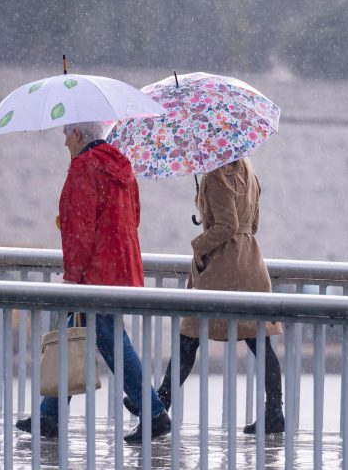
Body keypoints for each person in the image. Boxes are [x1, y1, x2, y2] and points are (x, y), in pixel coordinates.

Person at [16, 121, 171, 444]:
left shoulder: (83, 169)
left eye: (65, 133)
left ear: (77, 134)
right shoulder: (122, 166)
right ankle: (49, 416)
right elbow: (134, 217)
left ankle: (154, 413)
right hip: (122, 268)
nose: (63, 140)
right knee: (74, 333)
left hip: (95, 275)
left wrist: (73, 278)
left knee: (110, 341)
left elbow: (79, 232)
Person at [123, 157, 285, 434]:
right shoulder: (248, 169)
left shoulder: (215, 174)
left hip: (223, 268)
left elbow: (226, 226)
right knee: (259, 340)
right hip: (250, 262)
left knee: (189, 338)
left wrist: (198, 243)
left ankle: (158, 408)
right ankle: (274, 412)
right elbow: (251, 224)